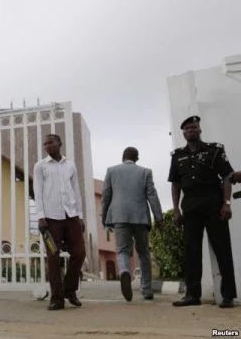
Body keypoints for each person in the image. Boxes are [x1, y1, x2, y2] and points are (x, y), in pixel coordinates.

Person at [168, 116, 237, 308]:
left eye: (194, 127)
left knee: (222, 249)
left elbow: (227, 177)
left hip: (213, 204)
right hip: (190, 206)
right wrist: (175, 209)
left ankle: (228, 295)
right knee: (191, 251)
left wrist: (227, 203)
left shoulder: (214, 150)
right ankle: (192, 295)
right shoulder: (177, 155)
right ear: (183, 133)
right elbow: (176, 184)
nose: (191, 130)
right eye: (187, 128)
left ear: (200, 130)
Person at [101, 147, 163, 302]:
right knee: (143, 253)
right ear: (137, 158)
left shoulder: (111, 171)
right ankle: (146, 290)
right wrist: (159, 217)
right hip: (140, 217)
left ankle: (124, 271)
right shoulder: (145, 172)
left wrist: (105, 217)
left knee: (122, 250)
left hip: (119, 216)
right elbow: (152, 196)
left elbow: (106, 196)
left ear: (123, 157)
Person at [33, 134, 86, 311]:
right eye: (45, 144)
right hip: (50, 219)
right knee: (53, 257)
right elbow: (37, 192)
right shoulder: (40, 166)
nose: (47, 146)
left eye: (50, 143)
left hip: (71, 216)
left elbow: (76, 191)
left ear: (59, 144)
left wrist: (79, 216)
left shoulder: (70, 165)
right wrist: (40, 217)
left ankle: (69, 290)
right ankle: (57, 298)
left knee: (79, 253)